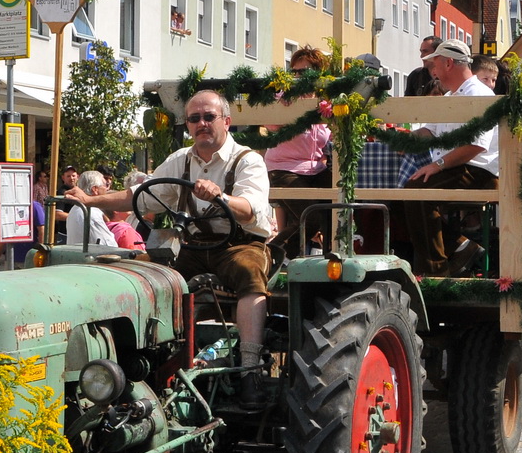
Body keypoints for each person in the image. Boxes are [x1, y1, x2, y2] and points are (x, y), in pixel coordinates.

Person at [69, 91, 275, 406]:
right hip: (192, 246)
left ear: (226, 122)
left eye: (209, 117)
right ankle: (147, 363)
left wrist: (220, 196)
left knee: (249, 274)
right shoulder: (180, 160)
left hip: (239, 245)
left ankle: (250, 369)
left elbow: (251, 209)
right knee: (148, 275)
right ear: (188, 125)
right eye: (195, 119)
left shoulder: (247, 161)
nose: (202, 124)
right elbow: (136, 196)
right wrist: (89, 200)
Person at [403, 38, 498, 277]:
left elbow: (476, 146)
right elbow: (430, 131)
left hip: (480, 173)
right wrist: (401, 139)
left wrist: (437, 165)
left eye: (434, 64)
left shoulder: (480, 94)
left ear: (448, 64)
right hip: (459, 169)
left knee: (416, 191)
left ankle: (435, 271)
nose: (431, 71)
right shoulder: (451, 96)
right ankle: (460, 247)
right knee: (399, 194)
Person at [264, 45, 333, 253]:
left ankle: (331, 256)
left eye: (303, 72)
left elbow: (327, 139)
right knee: (311, 218)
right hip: (283, 167)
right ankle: (272, 252)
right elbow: (271, 125)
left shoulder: (323, 101)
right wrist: (284, 104)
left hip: (314, 169)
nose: (296, 76)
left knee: (339, 204)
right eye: (293, 71)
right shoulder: (285, 97)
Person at [65, 170, 114, 247]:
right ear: (95, 189)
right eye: (105, 185)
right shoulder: (90, 212)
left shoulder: (76, 208)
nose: (107, 189)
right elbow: (109, 245)